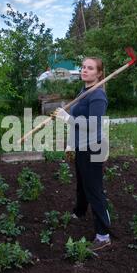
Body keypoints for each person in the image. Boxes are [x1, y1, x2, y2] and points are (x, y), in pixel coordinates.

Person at [51, 57, 111, 252]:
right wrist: (71, 144)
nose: (85, 70)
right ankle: (79, 212)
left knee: (94, 189)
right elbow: (79, 123)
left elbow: (93, 126)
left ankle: (103, 236)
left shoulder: (98, 96)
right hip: (81, 146)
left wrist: (68, 118)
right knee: (82, 183)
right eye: (84, 67)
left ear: (99, 73)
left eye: (90, 68)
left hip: (93, 147)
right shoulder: (85, 91)